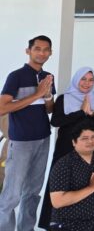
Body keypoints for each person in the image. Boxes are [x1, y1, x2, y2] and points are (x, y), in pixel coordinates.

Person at [42, 67, 94, 228]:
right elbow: (56, 121)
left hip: (90, 151)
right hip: (66, 149)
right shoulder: (64, 98)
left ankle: (88, 221)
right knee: (61, 186)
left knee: (90, 184)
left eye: (91, 80)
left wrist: (92, 113)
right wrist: (81, 112)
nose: (87, 83)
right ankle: (57, 223)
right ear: (76, 80)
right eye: (83, 79)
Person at [0, 35, 56, 231]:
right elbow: (2, 107)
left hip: (43, 139)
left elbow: (49, 109)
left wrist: (47, 96)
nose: (42, 53)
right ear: (28, 51)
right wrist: (37, 94)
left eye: (46, 49)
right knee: (12, 195)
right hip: (21, 142)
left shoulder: (48, 77)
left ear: (50, 53)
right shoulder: (16, 76)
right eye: (37, 48)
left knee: (32, 193)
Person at [48, 120, 94, 231]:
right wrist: (92, 187)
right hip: (68, 224)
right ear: (74, 142)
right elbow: (57, 201)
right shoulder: (64, 164)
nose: (90, 141)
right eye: (85, 138)